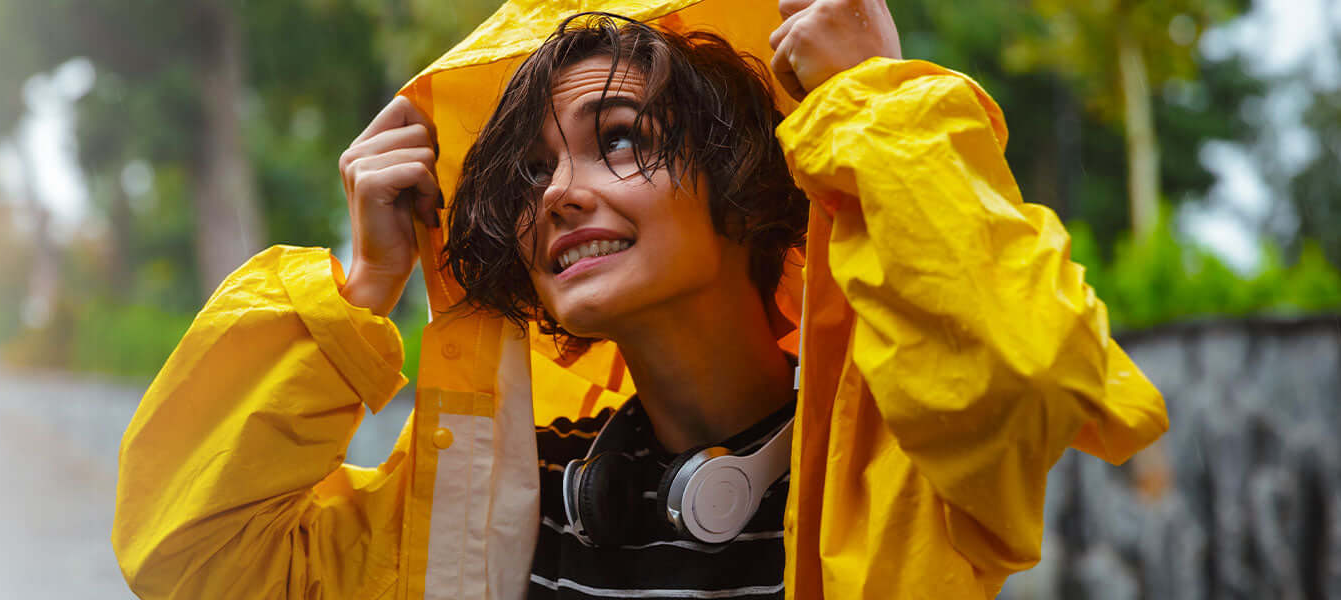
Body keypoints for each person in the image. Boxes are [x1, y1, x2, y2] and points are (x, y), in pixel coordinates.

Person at [110, 1, 1169, 598]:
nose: (558, 193)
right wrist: (362, 288)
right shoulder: (493, 503)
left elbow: (1025, 371)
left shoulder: (887, 473)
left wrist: (872, 107)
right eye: (525, 175)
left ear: (749, 188)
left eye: (618, 140)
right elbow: (193, 558)